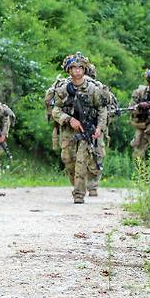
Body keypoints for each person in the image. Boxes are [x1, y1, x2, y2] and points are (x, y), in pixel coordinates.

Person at [51, 53, 107, 204]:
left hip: (86, 130)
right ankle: (77, 185)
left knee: (81, 162)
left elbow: (102, 109)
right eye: (73, 68)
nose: (76, 71)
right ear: (69, 70)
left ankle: (79, 194)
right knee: (68, 160)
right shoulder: (63, 89)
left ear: (84, 70)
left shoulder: (92, 89)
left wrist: (99, 128)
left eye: (80, 68)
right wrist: (69, 119)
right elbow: (55, 110)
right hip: (69, 131)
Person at [84, 63, 118, 196]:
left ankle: (92, 186)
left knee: (97, 155)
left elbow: (112, 108)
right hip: (79, 125)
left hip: (97, 126)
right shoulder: (72, 87)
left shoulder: (100, 89)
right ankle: (81, 184)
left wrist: (103, 121)